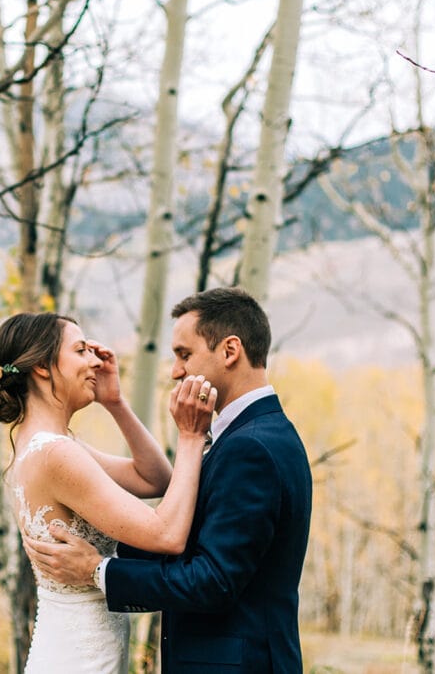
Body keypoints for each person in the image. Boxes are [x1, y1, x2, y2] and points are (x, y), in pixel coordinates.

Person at [24, 287, 314, 673]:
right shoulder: (248, 435)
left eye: (184, 354)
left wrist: (97, 570)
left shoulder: (252, 448)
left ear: (230, 351)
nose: (176, 370)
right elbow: (194, 546)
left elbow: (213, 581)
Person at [0, 311, 217, 673]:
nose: (94, 360)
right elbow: (167, 535)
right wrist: (190, 435)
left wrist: (115, 403)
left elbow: (154, 478)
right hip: (80, 657)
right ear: (42, 366)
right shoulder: (56, 454)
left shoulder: (48, 445)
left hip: (73, 646)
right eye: (80, 350)